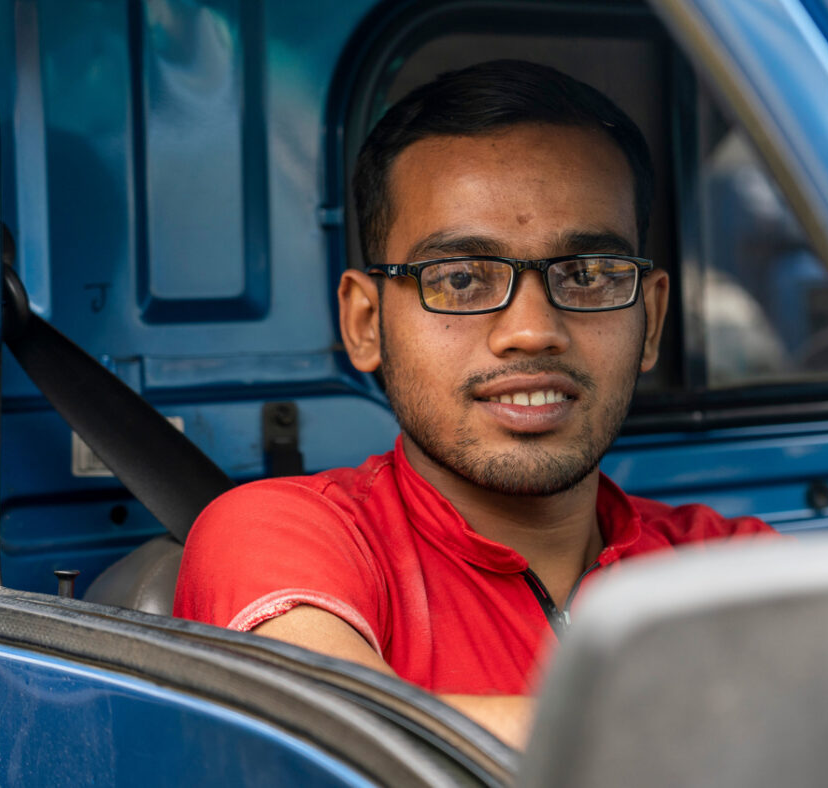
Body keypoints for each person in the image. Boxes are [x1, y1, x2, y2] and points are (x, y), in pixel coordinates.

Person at [173, 59, 775, 748]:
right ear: (367, 323)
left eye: (587, 274)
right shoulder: (281, 534)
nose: (533, 332)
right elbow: (347, 737)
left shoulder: (729, 566)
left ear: (653, 320)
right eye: (459, 278)